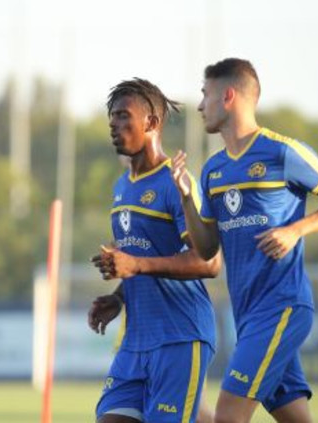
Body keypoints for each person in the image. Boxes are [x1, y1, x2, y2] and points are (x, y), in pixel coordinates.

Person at [171, 58, 318, 423]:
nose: (200, 105)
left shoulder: (282, 152)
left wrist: (295, 230)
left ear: (228, 96)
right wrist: (186, 198)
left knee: (227, 416)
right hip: (247, 314)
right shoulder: (212, 170)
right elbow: (207, 249)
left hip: (282, 306)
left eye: (205, 94)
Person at [88, 78, 219, 423]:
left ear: (152, 122)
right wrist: (118, 297)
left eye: (123, 116)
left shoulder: (176, 182)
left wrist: (135, 265)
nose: (114, 125)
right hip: (135, 341)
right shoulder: (122, 186)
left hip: (180, 336)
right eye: (112, 117)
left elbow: (209, 262)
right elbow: (141, 259)